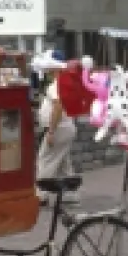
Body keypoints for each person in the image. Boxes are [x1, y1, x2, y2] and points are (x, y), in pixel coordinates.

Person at [36, 52, 78, 206]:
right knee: (62, 162)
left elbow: (58, 106)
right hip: (66, 127)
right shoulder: (64, 82)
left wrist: (51, 130)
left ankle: (41, 195)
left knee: (45, 159)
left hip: (59, 128)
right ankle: (71, 193)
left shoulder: (57, 84)